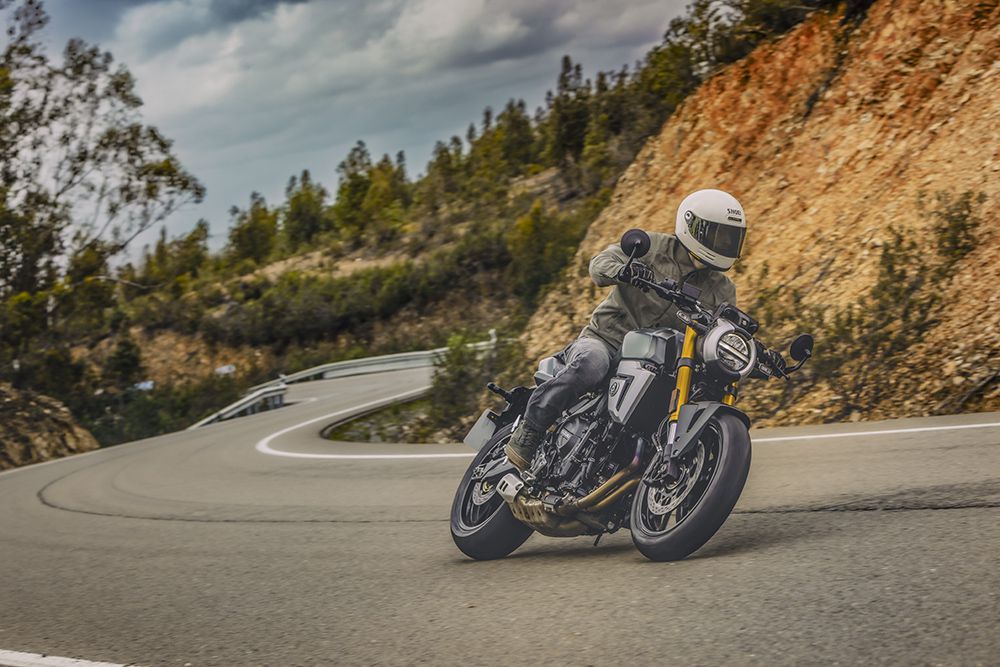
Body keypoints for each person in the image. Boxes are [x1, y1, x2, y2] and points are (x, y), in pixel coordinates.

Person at [505, 188, 747, 471]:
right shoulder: (652, 247)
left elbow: (723, 329)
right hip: (608, 340)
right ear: (693, 226)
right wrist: (624, 271)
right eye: (719, 235)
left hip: (664, 363)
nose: (724, 243)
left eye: (731, 237)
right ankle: (531, 428)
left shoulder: (723, 289)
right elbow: (599, 264)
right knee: (592, 363)